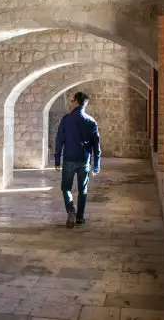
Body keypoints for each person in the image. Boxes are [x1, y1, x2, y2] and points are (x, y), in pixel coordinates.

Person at [54, 91, 101, 228]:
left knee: (66, 188)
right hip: (84, 161)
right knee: (83, 190)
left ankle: (70, 210)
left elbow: (59, 140)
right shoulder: (91, 121)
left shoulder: (66, 119)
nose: (70, 103)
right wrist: (96, 164)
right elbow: (96, 145)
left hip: (69, 159)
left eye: (71, 100)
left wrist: (57, 159)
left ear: (75, 102)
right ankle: (80, 217)